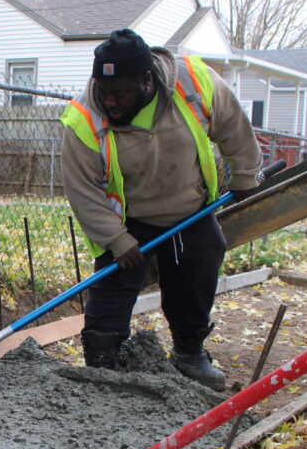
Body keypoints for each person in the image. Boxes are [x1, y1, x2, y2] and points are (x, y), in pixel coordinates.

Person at [60, 28, 263, 391]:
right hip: (127, 218)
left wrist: (245, 174)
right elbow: (82, 189)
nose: (110, 103)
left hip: (189, 209)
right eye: (104, 93)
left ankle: (189, 351)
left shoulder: (194, 83)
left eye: (119, 93)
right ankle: (102, 361)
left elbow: (233, 124)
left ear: (146, 80)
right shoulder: (83, 117)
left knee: (198, 268)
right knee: (111, 286)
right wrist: (116, 239)